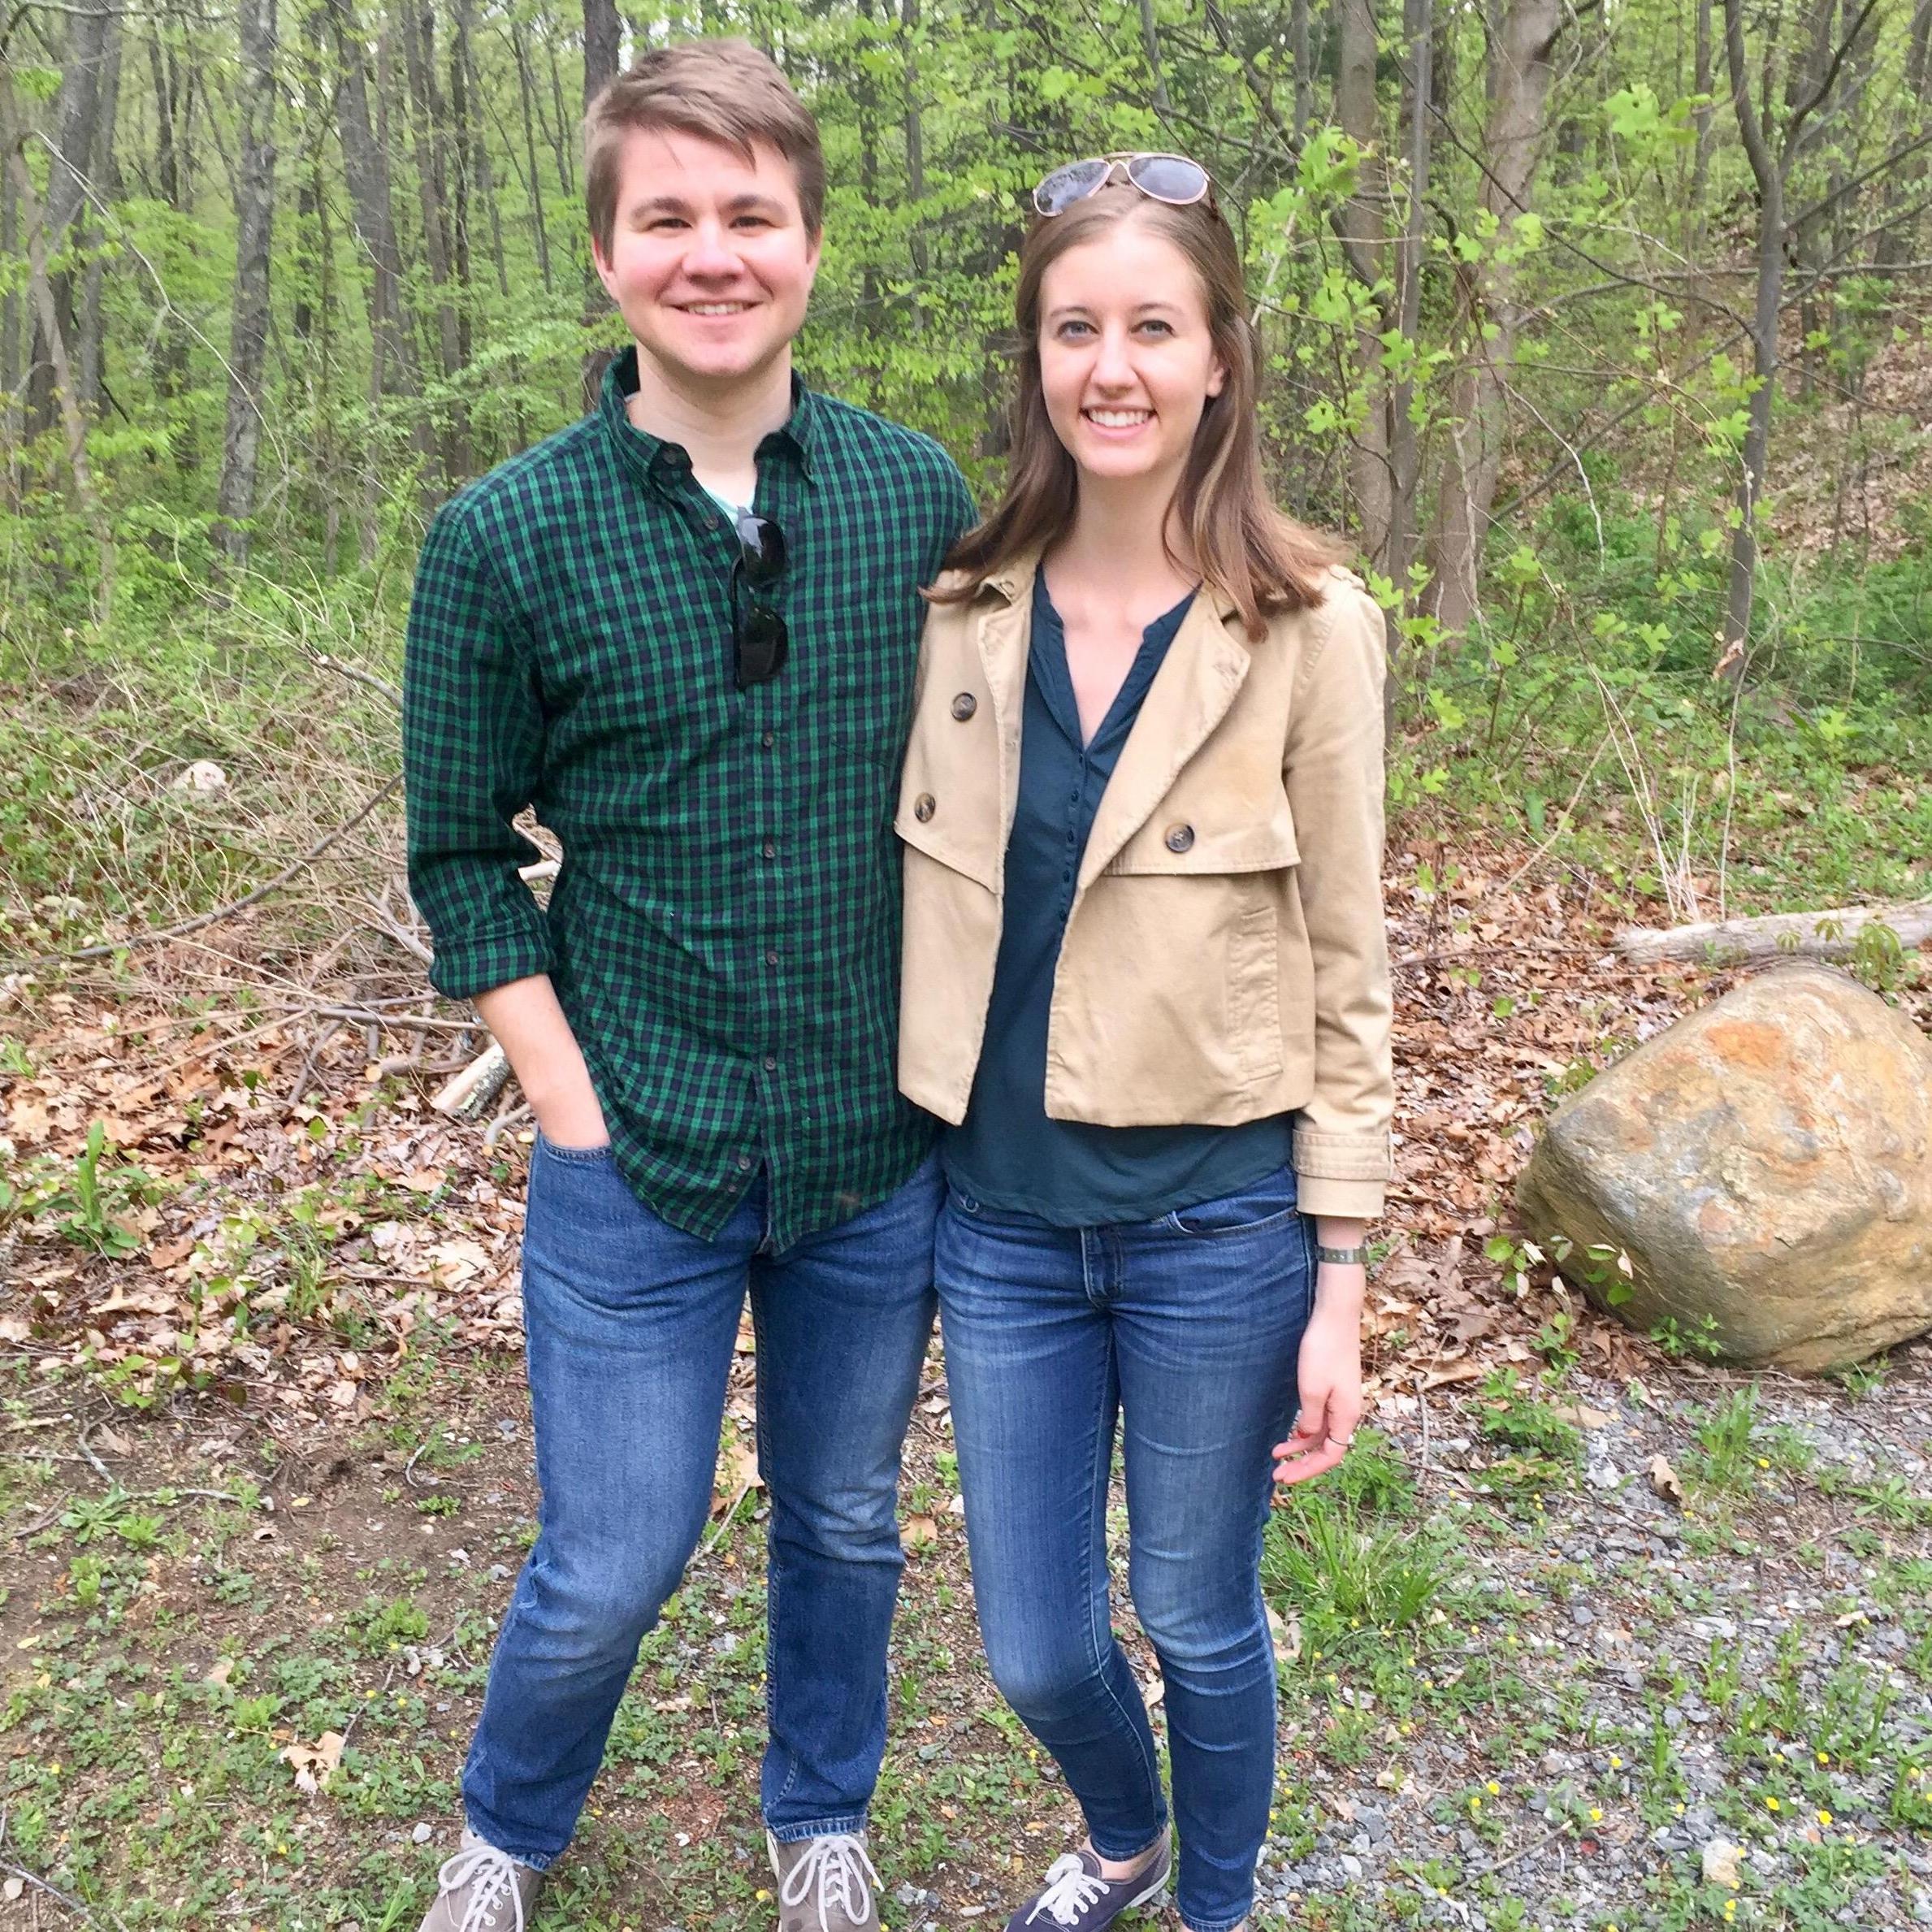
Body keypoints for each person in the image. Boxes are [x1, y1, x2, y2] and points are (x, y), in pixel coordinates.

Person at [401, 40, 973, 1932]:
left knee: (844, 1523)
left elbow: (985, 799)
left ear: (812, 243)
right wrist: (563, 1097)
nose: (711, 252)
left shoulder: (916, 499)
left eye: (751, 214)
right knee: (613, 1553)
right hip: (625, 1142)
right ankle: (508, 1826)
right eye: (669, 216)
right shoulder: (503, 537)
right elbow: (460, 858)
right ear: (606, 252)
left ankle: (821, 1815)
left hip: (865, 1146)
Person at [895, 154, 1394, 1932]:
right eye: (1074, 327)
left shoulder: (1312, 628)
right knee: (1034, 1638)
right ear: (1035, 359)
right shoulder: (959, 607)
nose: (1112, 365)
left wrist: (1337, 1273)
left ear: (1218, 360)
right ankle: (1124, 1828)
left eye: (1152, 328)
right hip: (1001, 1226)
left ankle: (1212, 1904)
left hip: (1216, 1232)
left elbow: (1349, 959)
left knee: (1193, 1616)